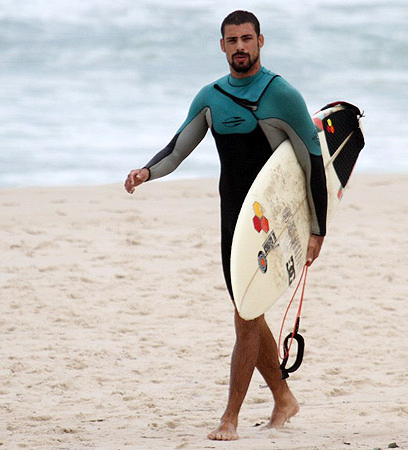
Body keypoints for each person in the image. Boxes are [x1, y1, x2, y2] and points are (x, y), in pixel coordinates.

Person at [124, 10, 328, 441]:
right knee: (250, 312)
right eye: (232, 40)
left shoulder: (281, 94)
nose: (240, 47)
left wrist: (316, 229)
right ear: (222, 46)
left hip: (270, 222)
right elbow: (178, 147)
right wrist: (146, 171)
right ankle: (284, 399)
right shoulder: (211, 97)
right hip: (233, 223)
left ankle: (230, 417)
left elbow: (310, 162)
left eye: (247, 39)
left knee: (246, 316)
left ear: (260, 42)